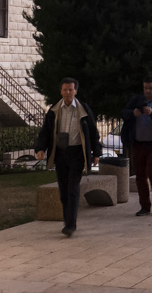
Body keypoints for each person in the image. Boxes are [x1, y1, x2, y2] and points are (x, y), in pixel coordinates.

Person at [35, 78, 102, 236]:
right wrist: (40, 148)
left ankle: (71, 225)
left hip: (77, 153)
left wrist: (96, 153)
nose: (67, 93)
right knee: (64, 190)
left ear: (75, 91)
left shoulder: (83, 109)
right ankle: (67, 220)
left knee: (73, 188)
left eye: (70, 90)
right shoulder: (54, 110)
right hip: (60, 153)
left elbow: (93, 132)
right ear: (61, 91)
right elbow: (46, 131)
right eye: (65, 90)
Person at [121, 76, 152, 216]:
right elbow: (123, 113)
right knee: (140, 176)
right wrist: (133, 113)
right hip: (138, 144)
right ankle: (145, 206)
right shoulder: (136, 101)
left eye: (150, 88)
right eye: (145, 88)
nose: (148, 91)